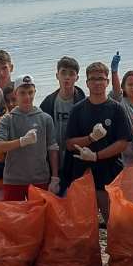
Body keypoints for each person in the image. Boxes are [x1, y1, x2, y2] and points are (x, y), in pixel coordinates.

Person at [67, 61, 133, 223]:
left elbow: (124, 142)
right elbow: (69, 143)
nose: (97, 83)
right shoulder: (77, 109)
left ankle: (116, 247)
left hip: (110, 171)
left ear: (107, 82)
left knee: (112, 217)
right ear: (87, 83)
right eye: (93, 79)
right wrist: (90, 139)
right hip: (83, 172)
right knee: (83, 220)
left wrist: (97, 156)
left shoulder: (117, 109)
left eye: (101, 79)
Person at [0, 75, 59, 199]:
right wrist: (21, 141)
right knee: (13, 217)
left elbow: (52, 148)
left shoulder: (45, 118)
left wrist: (55, 177)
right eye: (22, 93)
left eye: (30, 92)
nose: (27, 97)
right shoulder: (7, 119)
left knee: (40, 216)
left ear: (35, 92)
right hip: (13, 180)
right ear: (15, 94)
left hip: (40, 179)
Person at [41, 57, 87, 190]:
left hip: (77, 161)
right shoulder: (48, 102)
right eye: (63, 73)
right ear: (57, 75)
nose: (67, 77)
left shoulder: (84, 103)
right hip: (53, 162)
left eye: (71, 74)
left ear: (77, 77)